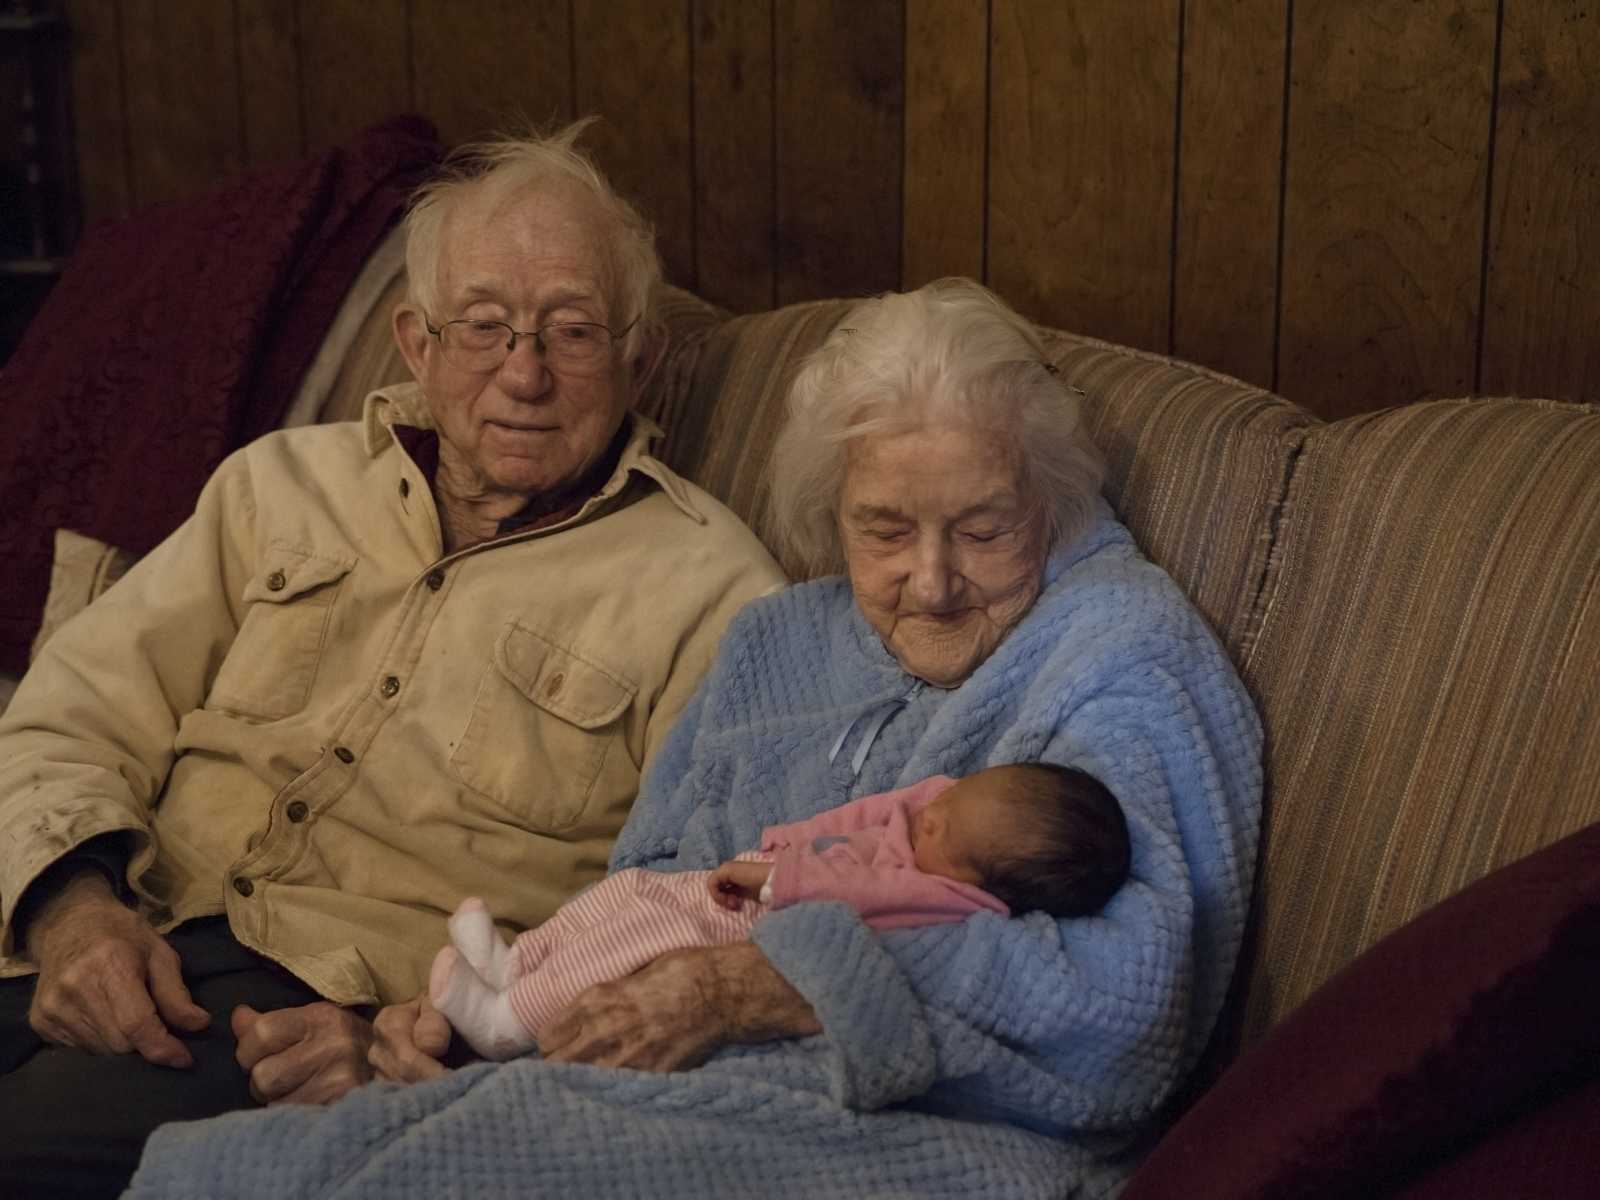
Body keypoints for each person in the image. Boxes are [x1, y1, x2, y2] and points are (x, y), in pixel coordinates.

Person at [126, 277, 1263, 1200]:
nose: (930, 580)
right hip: (653, 1081)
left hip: (918, 1133)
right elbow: (644, 888)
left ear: (1050, 497)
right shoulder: (778, 641)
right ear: (829, 513)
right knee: (256, 1163)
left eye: (982, 527)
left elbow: (1125, 1011)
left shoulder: (1122, 660)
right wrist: (508, 1011)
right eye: (881, 529)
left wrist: (755, 989)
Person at [0, 119, 783, 1197]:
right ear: (416, 343)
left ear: (639, 359)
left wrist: (416, 1046)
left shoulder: (715, 595)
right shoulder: (277, 485)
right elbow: (71, 709)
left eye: (571, 331)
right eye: (484, 327)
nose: (524, 373)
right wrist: (71, 912)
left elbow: (705, 908)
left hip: (301, 1027)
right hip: (103, 920)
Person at [432, 763, 1130, 1059]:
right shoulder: (951, 815)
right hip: (732, 886)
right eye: (945, 804)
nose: (928, 814)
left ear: (984, 886)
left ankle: (510, 1021)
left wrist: (775, 876)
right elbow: (895, 807)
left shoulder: (947, 898)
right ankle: (516, 960)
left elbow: (854, 894)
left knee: (641, 946)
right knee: (630, 889)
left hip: (756, 927)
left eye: (939, 831)